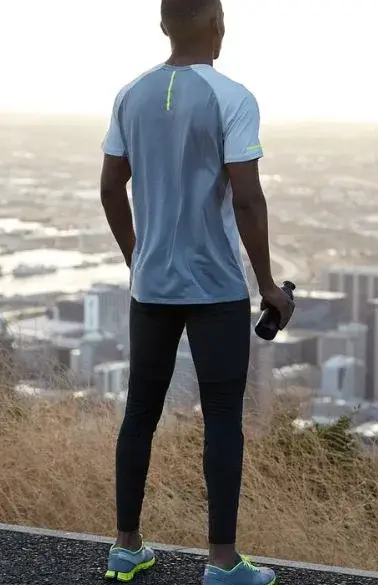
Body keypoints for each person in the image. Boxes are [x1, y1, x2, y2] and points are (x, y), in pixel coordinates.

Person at [98, 0, 294, 583]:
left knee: (140, 412)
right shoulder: (233, 97)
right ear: (217, 25)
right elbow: (248, 199)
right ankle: (221, 564)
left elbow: (111, 189)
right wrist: (267, 286)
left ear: (164, 25)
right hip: (215, 289)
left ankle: (126, 546)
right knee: (223, 419)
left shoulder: (129, 95)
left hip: (151, 287)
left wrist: (139, 259)